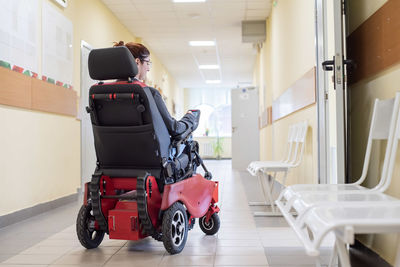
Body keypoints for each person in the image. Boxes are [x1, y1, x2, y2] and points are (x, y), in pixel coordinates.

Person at [113, 41, 197, 138]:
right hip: (145, 151)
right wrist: (189, 118)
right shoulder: (149, 93)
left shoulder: (100, 93)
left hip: (112, 151)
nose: (148, 68)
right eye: (147, 63)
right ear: (137, 62)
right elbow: (174, 128)